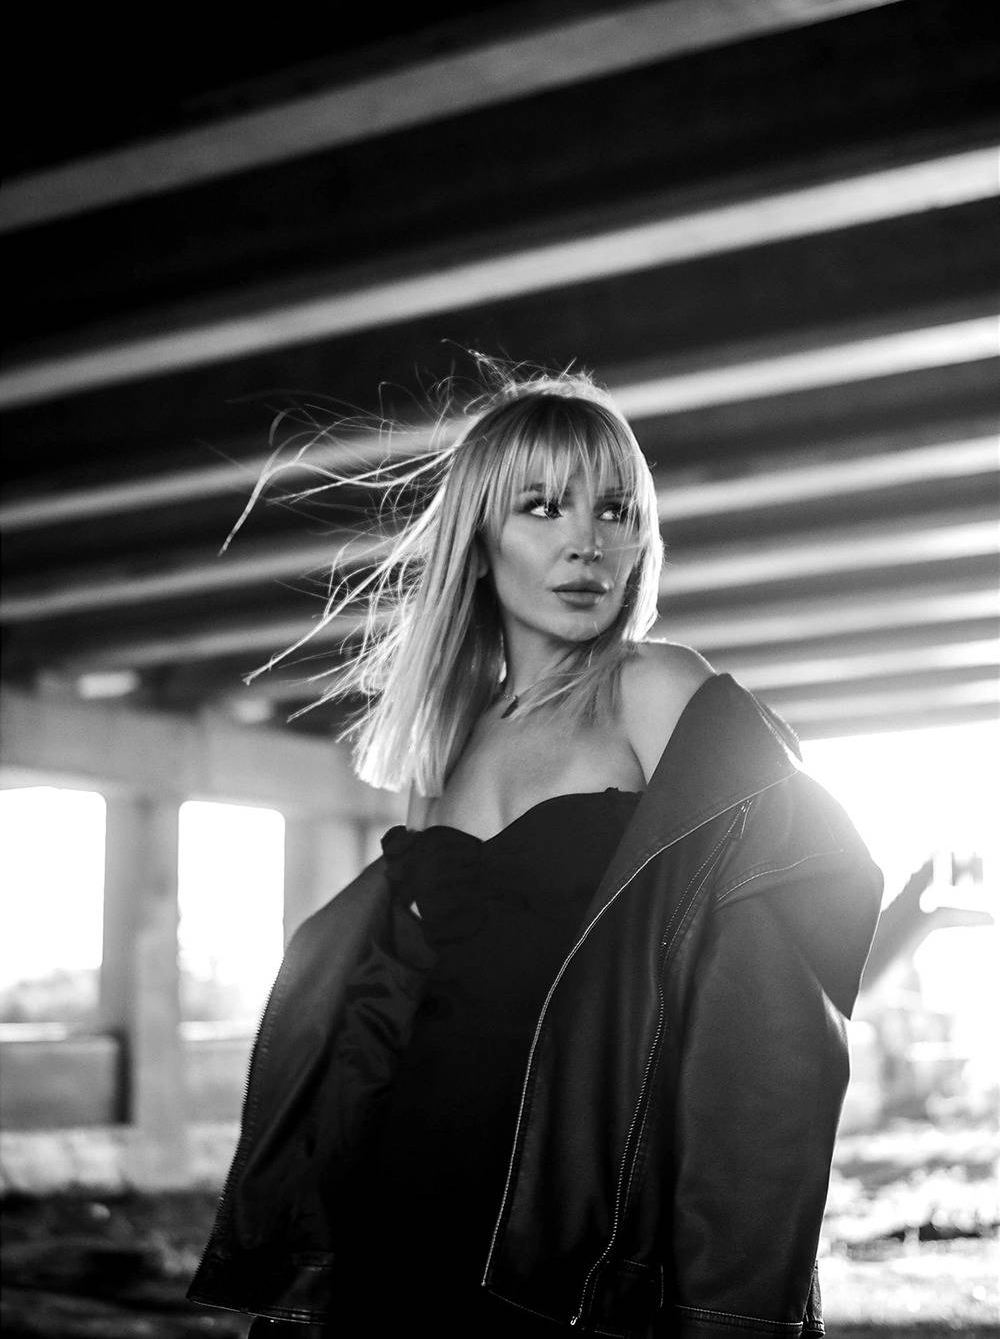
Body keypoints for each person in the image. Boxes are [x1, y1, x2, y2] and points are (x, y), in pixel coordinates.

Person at [188, 365, 883, 1338]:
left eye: (614, 510)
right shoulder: (450, 739)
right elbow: (392, 1003)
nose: (586, 542)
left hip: (569, 1220)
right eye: (542, 507)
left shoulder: (654, 690)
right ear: (479, 540)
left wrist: (722, 1287)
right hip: (404, 1188)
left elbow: (795, 922)